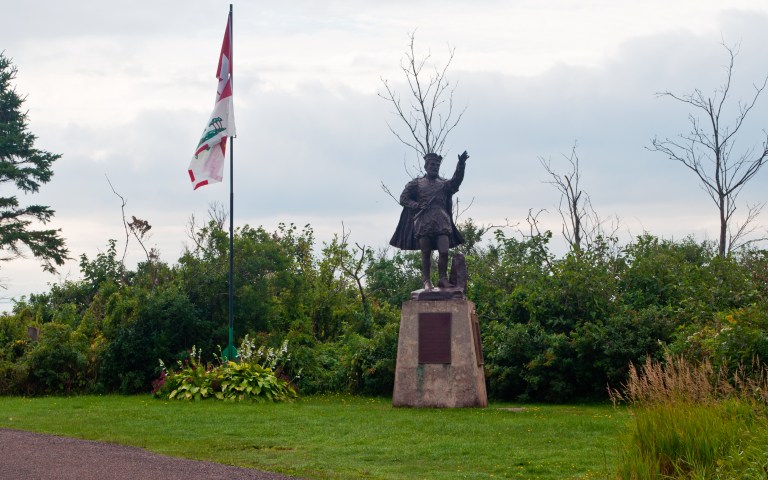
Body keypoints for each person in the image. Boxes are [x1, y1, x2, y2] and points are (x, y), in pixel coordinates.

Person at [390, 151, 469, 290]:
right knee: (426, 253)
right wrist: (416, 205)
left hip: (441, 221)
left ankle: (442, 279)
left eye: (437, 165)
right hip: (423, 222)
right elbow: (403, 198)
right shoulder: (416, 183)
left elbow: (456, 181)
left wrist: (461, 164)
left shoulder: (444, 184)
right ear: (426, 166)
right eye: (432, 165)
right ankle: (426, 280)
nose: (434, 167)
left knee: (444, 251)